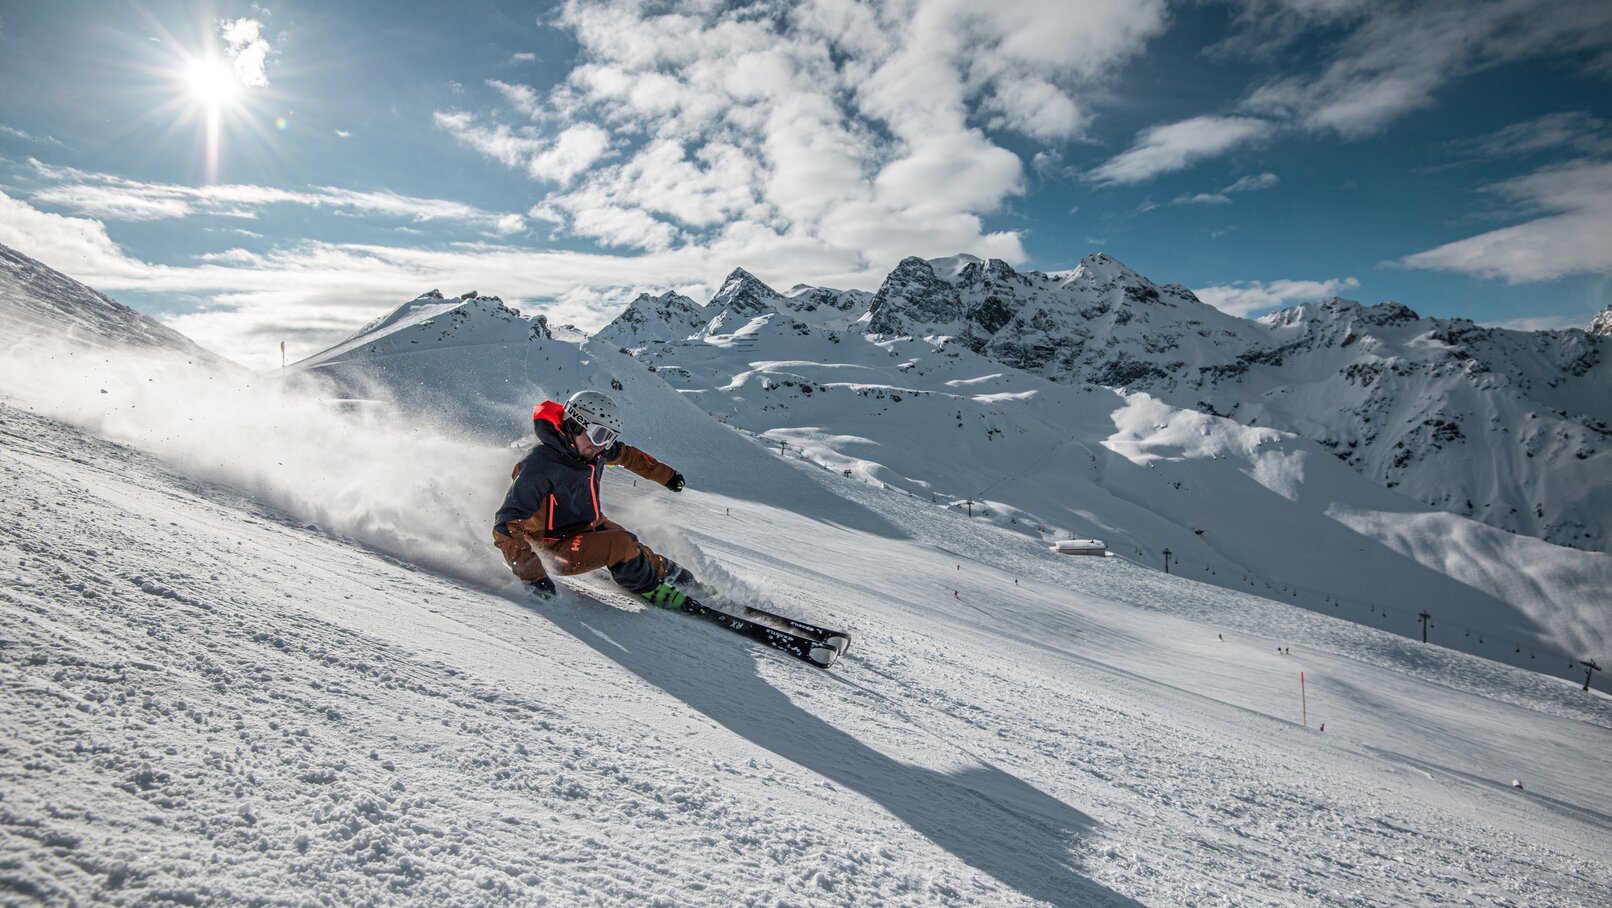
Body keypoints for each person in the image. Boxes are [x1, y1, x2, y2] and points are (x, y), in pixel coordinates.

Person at [493, 390, 693, 607]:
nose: (602, 445)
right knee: (620, 544)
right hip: (553, 548)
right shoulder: (540, 466)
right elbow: (505, 526)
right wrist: (534, 576)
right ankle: (650, 587)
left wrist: (668, 476)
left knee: (629, 542)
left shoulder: (592, 450)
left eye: (609, 438)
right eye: (599, 435)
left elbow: (627, 455)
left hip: (587, 525)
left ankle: (661, 569)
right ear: (574, 425)